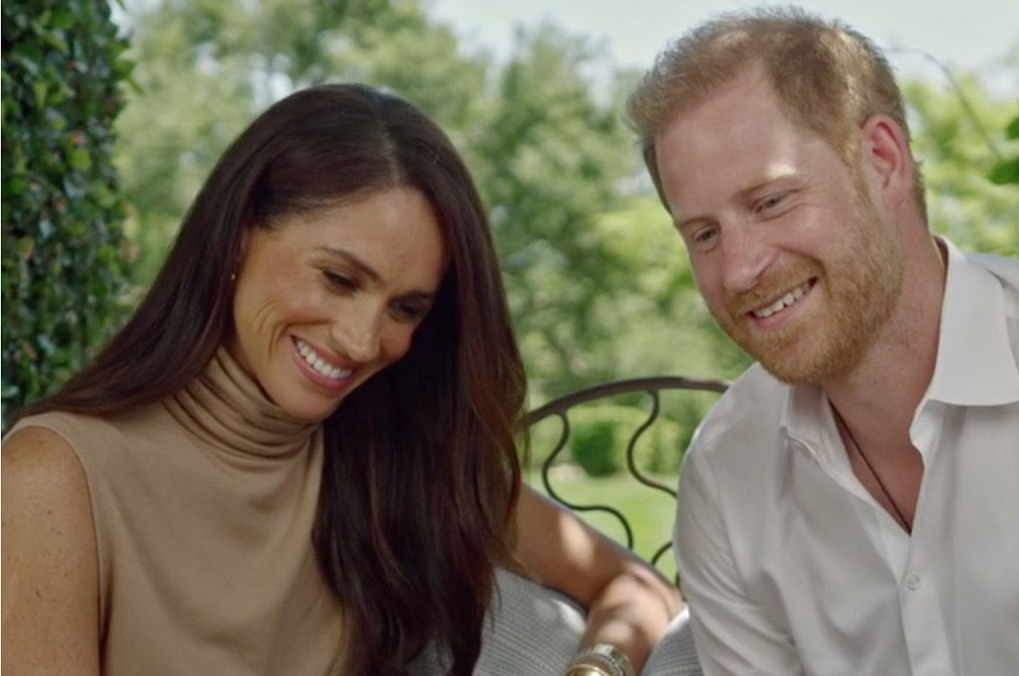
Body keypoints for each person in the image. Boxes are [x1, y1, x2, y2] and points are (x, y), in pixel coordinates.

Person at [2, 83, 680, 676]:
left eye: (405, 309)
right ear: (239, 234)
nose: (361, 341)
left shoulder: (395, 454)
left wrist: (596, 669)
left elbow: (635, 587)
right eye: (338, 278)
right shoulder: (56, 478)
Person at [626, 7, 1019, 675]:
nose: (738, 270)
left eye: (770, 202)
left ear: (883, 162)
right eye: (703, 234)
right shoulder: (726, 473)